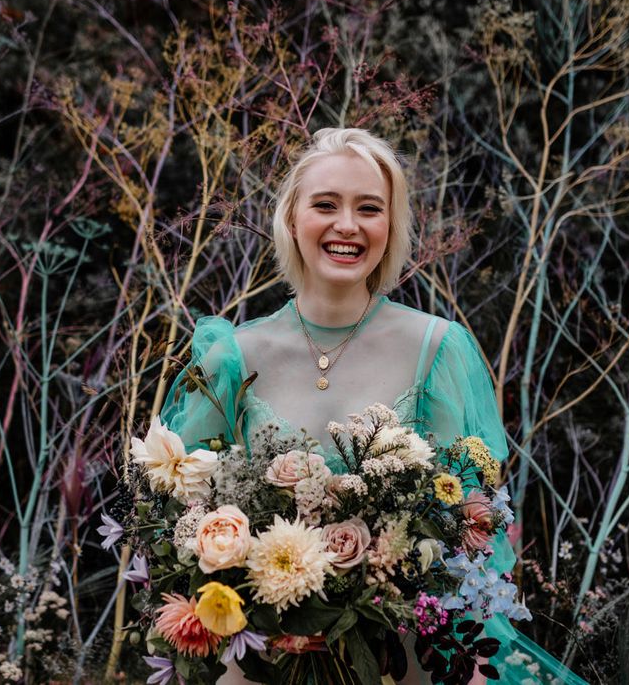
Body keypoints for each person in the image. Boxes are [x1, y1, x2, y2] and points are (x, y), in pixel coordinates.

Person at [160, 128, 585, 684]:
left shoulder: (437, 348)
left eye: (369, 208)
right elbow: (178, 518)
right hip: (266, 662)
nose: (347, 225)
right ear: (292, 220)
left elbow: (466, 524)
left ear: (390, 226)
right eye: (326, 205)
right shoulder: (233, 357)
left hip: (402, 661)